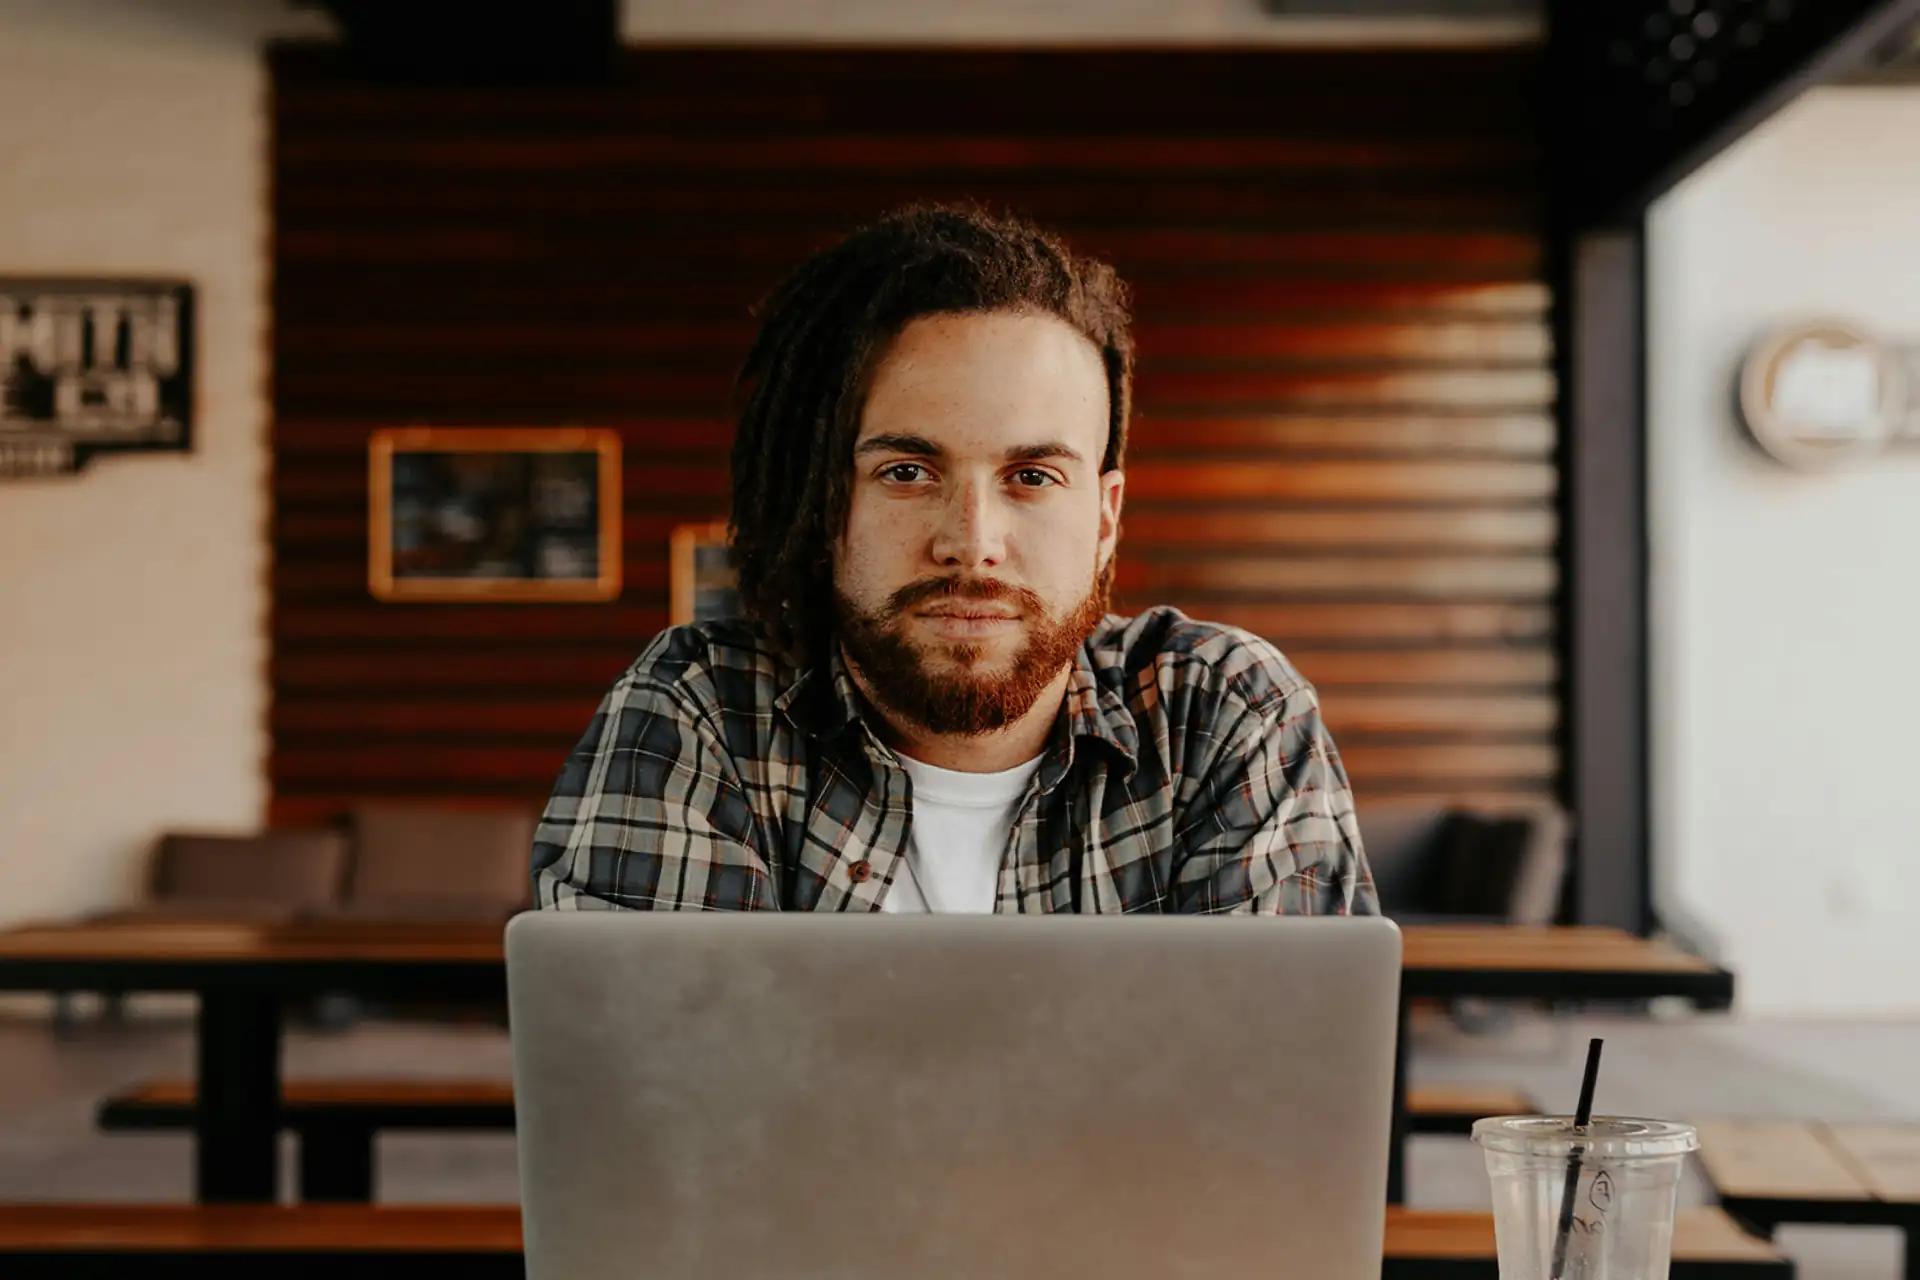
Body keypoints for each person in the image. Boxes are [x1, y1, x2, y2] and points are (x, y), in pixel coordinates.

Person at [533, 203, 1376, 916]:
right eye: (907, 472)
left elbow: (1278, 1100)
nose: (972, 541)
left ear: (1106, 518)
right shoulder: (700, 716)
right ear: (825, 504)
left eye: (1033, 476)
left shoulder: (1224, 714)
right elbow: (653, 1101)